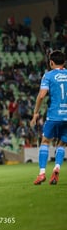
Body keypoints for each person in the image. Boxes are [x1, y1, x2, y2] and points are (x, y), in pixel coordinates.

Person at [30, 50, 67, 185]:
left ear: (51, 63)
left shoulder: (48, 76)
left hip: (53, 115)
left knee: (45, 141)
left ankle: (42, 173)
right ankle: (56, 168)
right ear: (64, 62)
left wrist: (35, 113)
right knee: (62, 143)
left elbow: (41, 95)